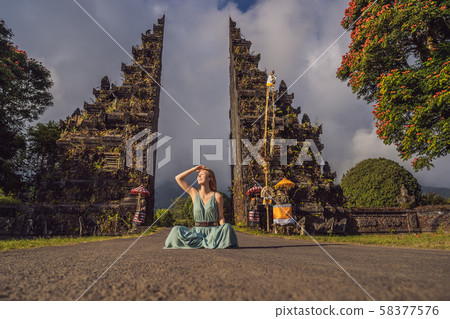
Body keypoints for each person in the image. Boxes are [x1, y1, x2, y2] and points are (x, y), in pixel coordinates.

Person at [164, 165, 239, 249]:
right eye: (198, 175)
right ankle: (203, 243)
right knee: (176, 230)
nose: (199, 176)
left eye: (202, 174)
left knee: (227, 227)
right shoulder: (194, 193)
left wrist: (223, 230)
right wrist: (194, 169)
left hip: (213, 233)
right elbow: (178, 178)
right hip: (196, 233)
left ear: (210, 178)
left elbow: (221, 217)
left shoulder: (217, 196)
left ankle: (210, 242)